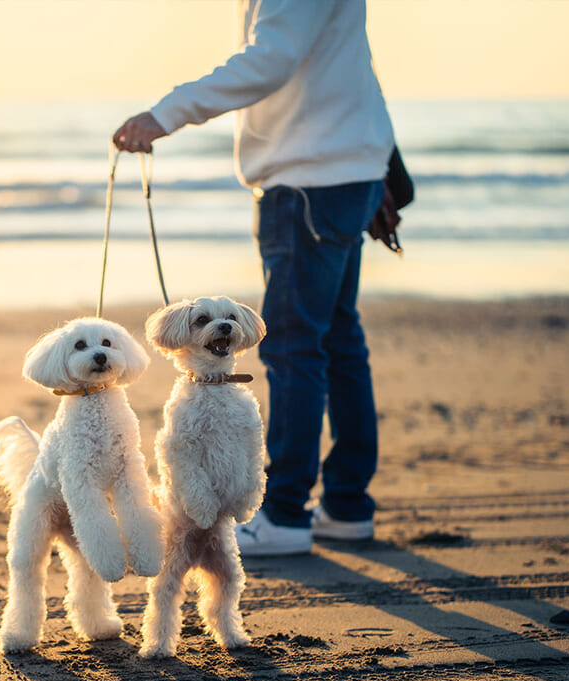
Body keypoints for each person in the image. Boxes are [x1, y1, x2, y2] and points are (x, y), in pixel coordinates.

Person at [113, 0, 398, 556]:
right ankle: (345, 506)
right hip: (346, 171)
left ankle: (286, 511)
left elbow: (269, 60)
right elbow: (352, 67)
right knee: (338, 339)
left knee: (294, 346)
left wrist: (164, 114)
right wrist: (380, 165)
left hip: (309, 180)